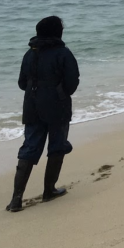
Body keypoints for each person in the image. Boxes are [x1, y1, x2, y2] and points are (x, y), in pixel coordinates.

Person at [6, 15, 80, 212]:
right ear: (58, 32)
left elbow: (22, 83)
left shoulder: (29, 54)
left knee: (30, 147)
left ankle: (16, 199)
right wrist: (60, 93)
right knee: (57, 146)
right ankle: (49, 191)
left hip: (32, 105)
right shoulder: (63, 53)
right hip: (58, 106)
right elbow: (72, 82)